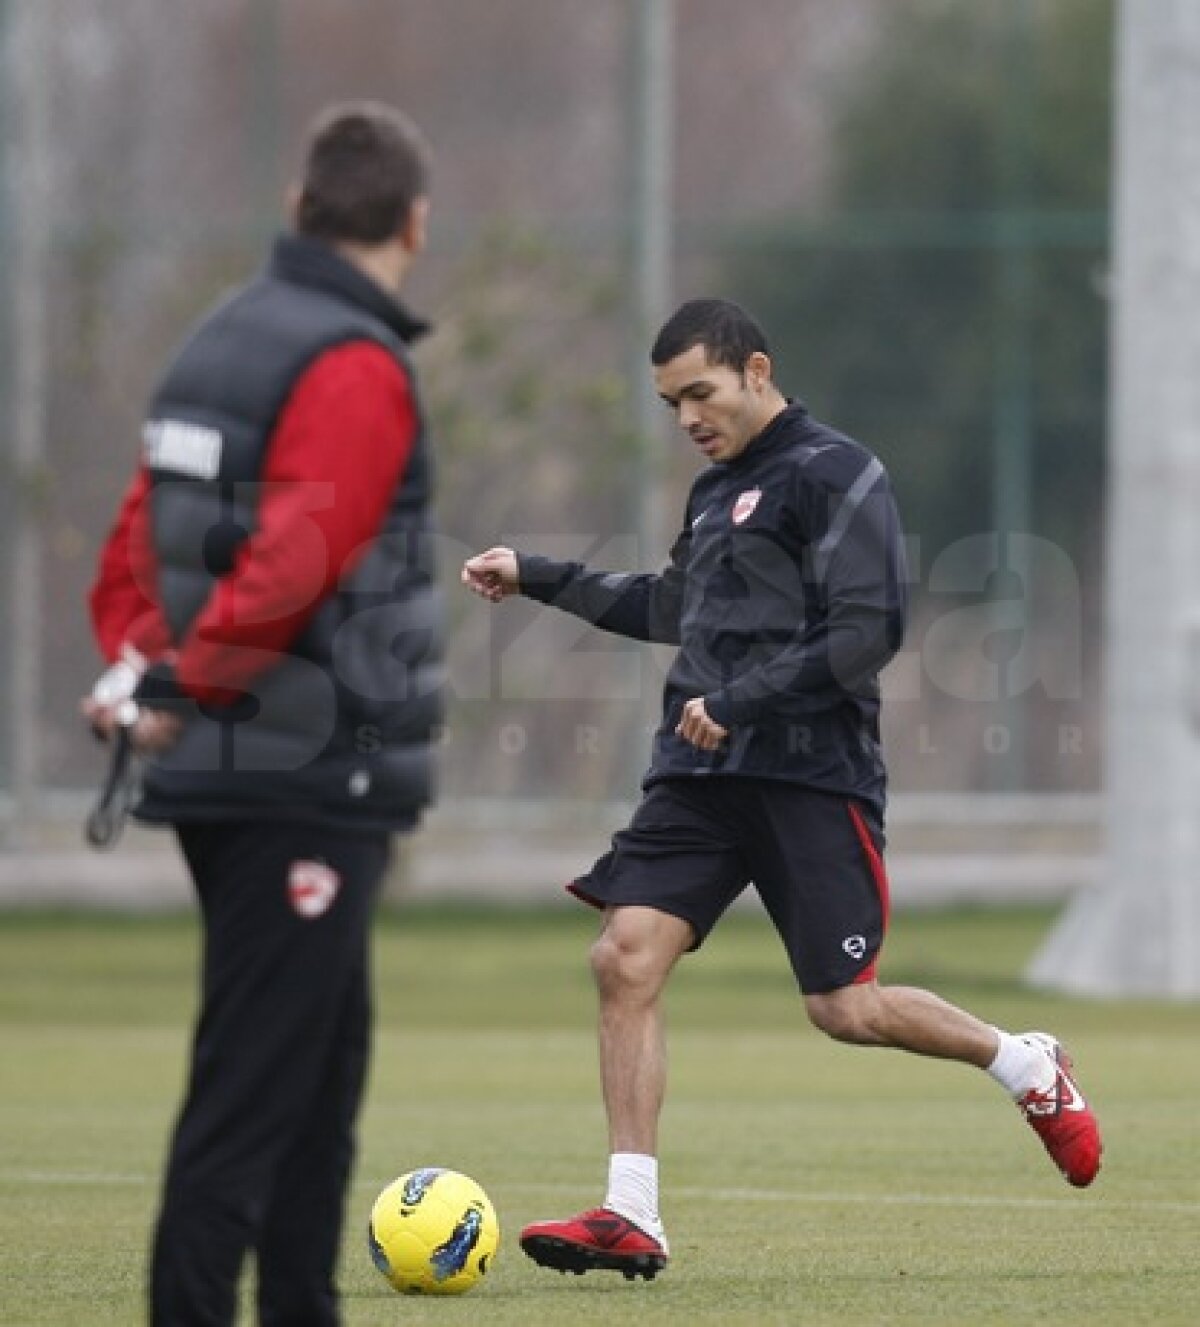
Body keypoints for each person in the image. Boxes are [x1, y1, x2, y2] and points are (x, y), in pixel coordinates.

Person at [462, 298, 1102, 1281]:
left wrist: (745, 697)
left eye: (701, 393)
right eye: (672, 402)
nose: (686, 419)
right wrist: (537, 575)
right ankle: (632, 1210)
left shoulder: (836, 472)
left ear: (756, 369)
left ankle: (1021, 1061)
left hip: (810, 771)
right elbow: (670, 605)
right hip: (700, 771)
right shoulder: (716, 494)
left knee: (846, 1008)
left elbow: (868, 629)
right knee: (623, 958)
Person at [83, 102, 444, 1326]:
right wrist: (189, 680)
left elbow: (140, 543)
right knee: (253, 1097)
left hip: (235, 767)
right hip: (303, 776)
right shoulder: (351, 359)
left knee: (317, 1084)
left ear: (298, 211)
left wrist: (139, 670)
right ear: (414, 223)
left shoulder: (213, 345)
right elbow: (302, 554)